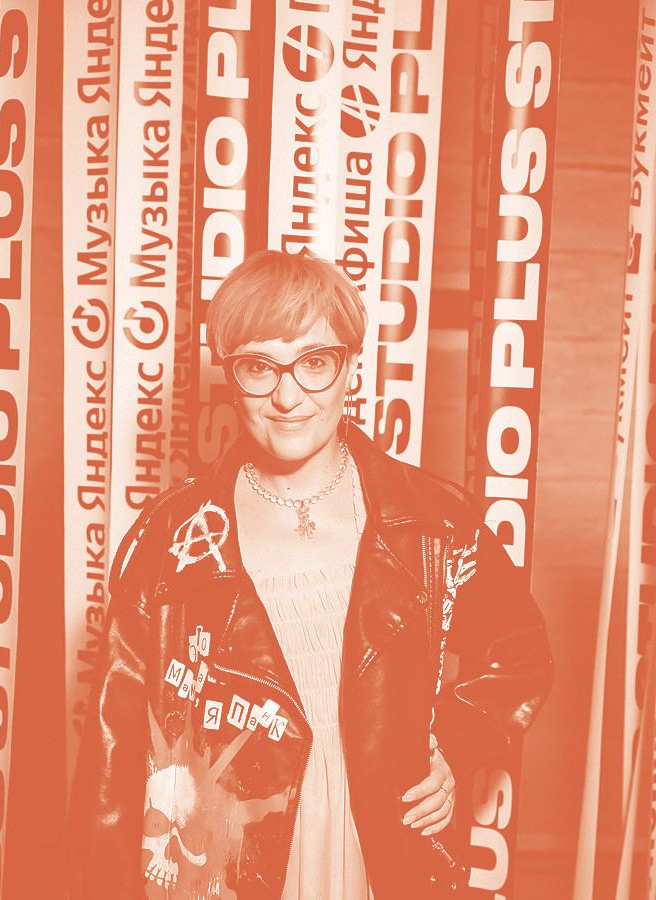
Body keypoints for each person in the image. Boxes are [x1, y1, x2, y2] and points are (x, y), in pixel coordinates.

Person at [66, 249, 553, 900]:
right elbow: (115, 756)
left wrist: (452, 749)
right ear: (230, 374)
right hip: (226, 857)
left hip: (380, 843)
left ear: (351, 366)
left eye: (315, 362)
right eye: (259, 367)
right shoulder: (168, 542)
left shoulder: (432, 521)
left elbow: (520, 654)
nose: (288, 395)